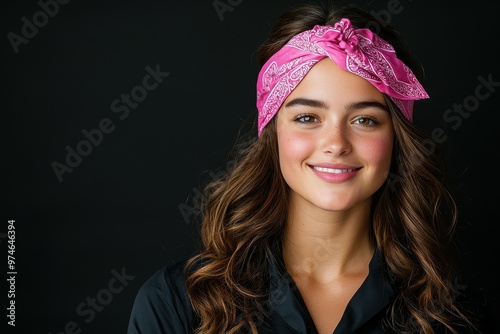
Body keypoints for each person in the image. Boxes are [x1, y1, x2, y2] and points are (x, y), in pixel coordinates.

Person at [127, 2, 495, 333]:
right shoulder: (178, 303)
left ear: (397, 138)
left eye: (365, 120)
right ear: (272, 134)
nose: (336, 143)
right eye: (307, 117)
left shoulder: (450, 316)